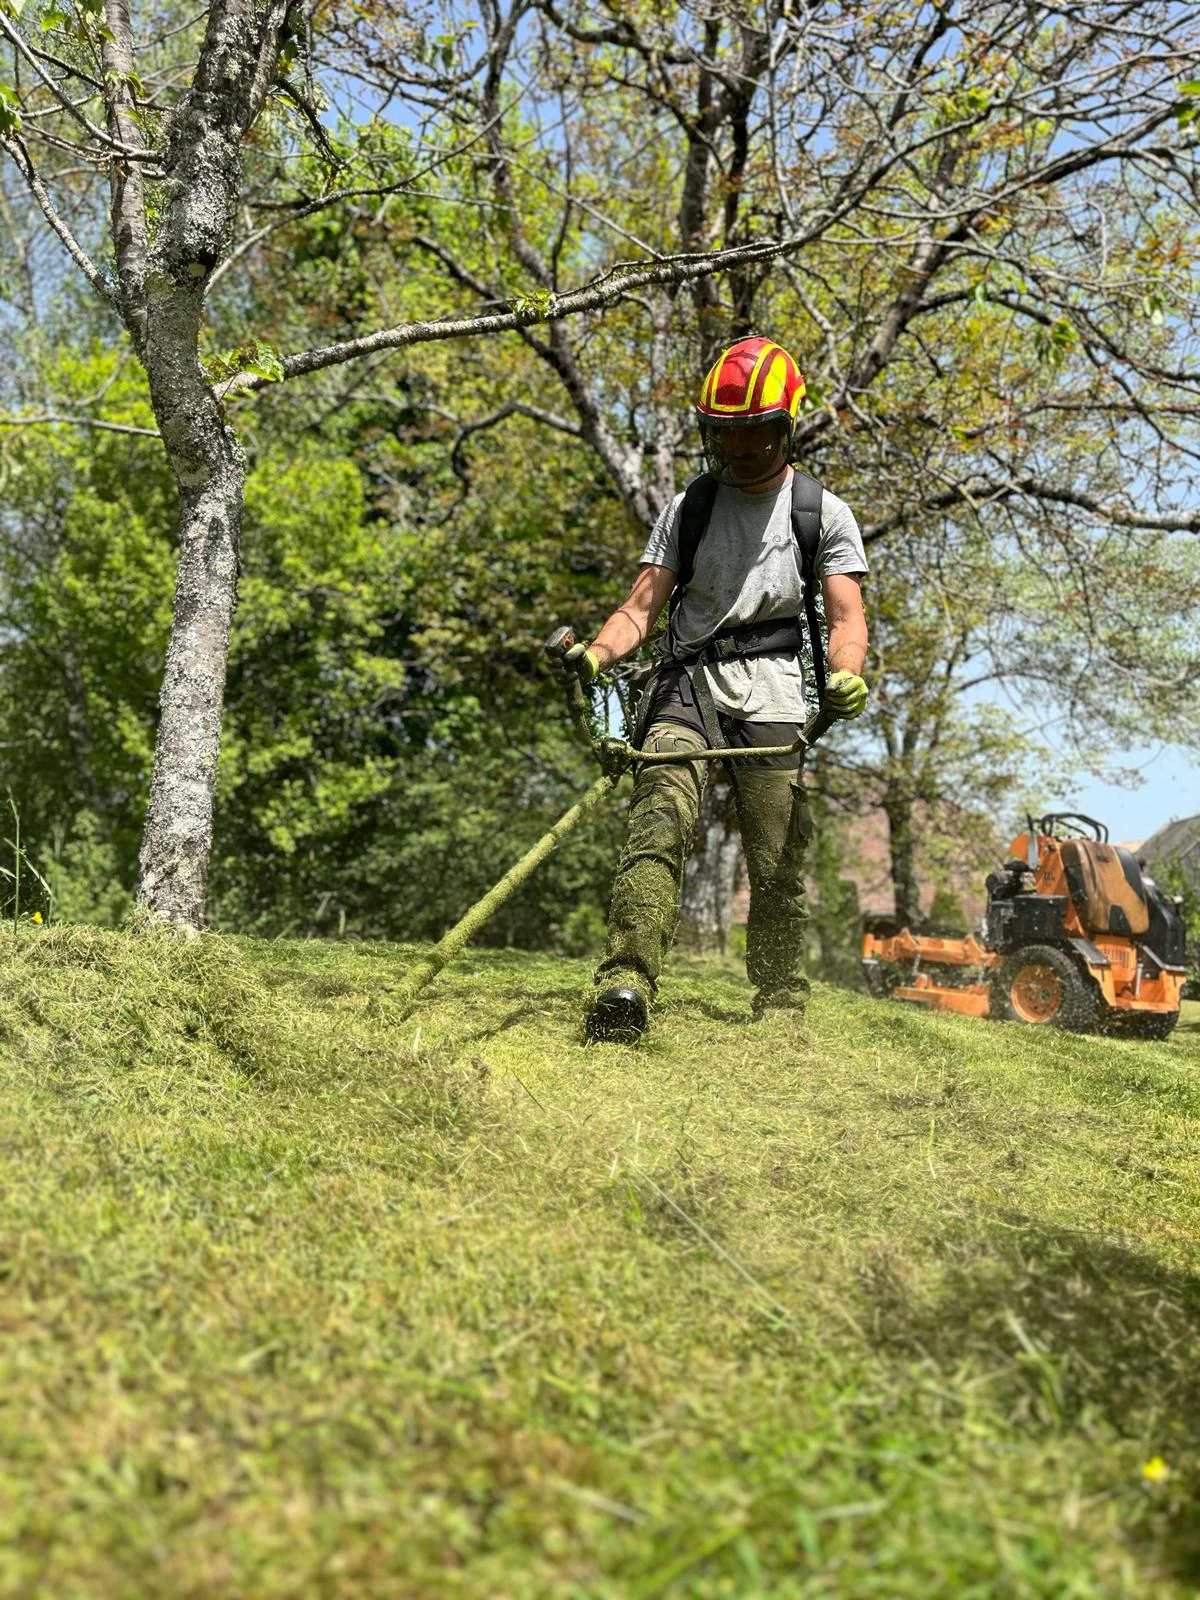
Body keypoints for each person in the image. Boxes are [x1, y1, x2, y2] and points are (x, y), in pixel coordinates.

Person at [562, 336, 869, 1043]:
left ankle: (781, 998)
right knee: (659, 816)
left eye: (755, 430)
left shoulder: (822, 513)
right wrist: (597, 655)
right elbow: (640, 608)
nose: (740, 446)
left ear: (785, 427)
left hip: (777, 691)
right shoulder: (690, 507)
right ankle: (625, 982)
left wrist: (847, 675)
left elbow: (847, 619)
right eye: (726, 432)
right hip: (687, 680)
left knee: (777, 853)